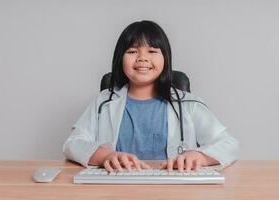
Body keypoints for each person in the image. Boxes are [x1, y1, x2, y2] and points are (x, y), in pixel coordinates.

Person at [62, 20, 239, 172]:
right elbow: (72, 144)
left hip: (173, 186)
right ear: (119, 59)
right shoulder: (103, 101)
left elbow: (229, 144)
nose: (142, 58)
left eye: (152, 51)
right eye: (132, 52)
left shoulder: (188, 104)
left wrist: (199, 156)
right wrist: (106, 156)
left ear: (165, 58)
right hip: (117, 184)